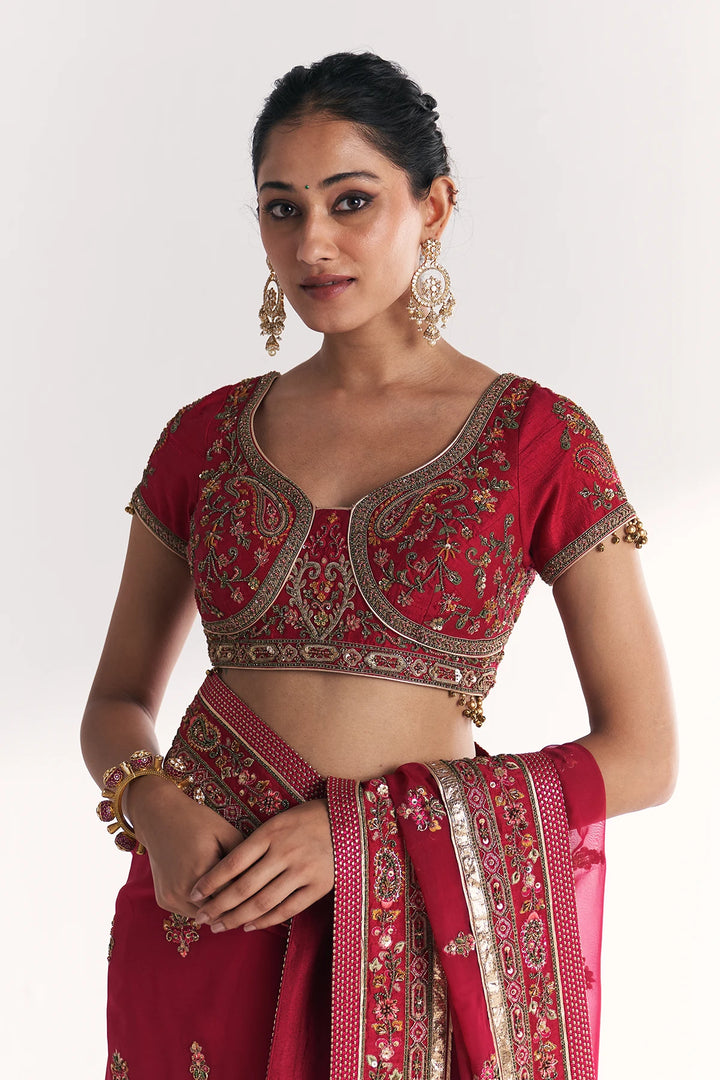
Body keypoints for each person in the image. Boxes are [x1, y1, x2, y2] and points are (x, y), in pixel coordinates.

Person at [82, 52, 677, 1080]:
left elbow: (645, 756)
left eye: (350, 201)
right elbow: (118, 701)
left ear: (434, 205)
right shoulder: (204, 437)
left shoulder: (538, 438)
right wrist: (155, 807)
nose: (312, 243)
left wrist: (363, 836)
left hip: (406, 925)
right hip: (201, 913)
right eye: (281, 209)